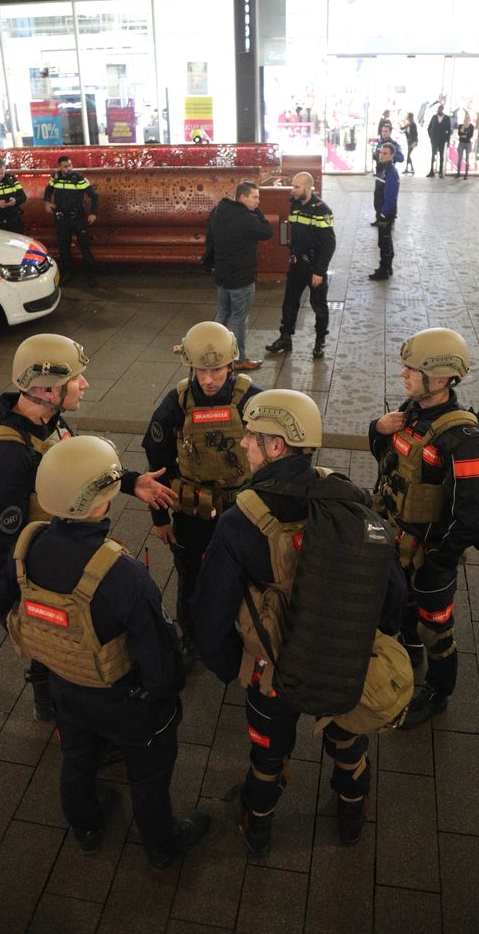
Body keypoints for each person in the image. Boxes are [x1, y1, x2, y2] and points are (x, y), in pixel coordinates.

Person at [190, 389, 404, 855]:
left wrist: (234, 669)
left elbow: (207, 616)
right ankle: (351, 814)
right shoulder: (346, 496)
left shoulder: (239, 520)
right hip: (344, 662)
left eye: (252, 436)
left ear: (277, 446)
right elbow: (393, 591)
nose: (243, 444)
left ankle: (259, 826)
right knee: (349, 744)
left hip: (272, 672)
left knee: (267, 754)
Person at [0, 434, 210, 867]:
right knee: (149, 772)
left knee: (77, 758)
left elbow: (6, 605)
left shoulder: (28, 546)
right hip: (123, 699)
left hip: (64, 688)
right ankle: (162, 844)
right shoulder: (120, 572)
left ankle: (87, 826)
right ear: (102, 500)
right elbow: (160, 659)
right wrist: (164, 697)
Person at [0, 332, 177, 721]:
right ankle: (55, 711)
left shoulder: (48, 424)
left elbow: (78, 469)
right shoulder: (6, 458)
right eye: (77, 378)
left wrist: (131, 482)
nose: (85, 384)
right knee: (57, 656)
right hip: (46, 585)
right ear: (48, 389)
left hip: (62, 556)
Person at [370, 328, 479, 727]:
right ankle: (410, 646)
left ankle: (439, 691)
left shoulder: (462, 438)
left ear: (439, 379)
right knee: (404, 605)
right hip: (398, 539)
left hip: (431, 554)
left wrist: (439, 561)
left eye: (412, 369)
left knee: (437, 625)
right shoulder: (413, 410)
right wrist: (378, 429)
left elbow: (470, 518)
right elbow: (389, 465)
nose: (403, 374)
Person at [143, 321, 262, 671]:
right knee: (190, 579)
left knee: (247, 577)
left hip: (242, 512)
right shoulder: (177, 402)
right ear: (190, 366)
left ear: (231, 365)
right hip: (192, 515)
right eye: (201, 370)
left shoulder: (254, 399)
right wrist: (159, 519)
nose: (208, 379)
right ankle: (191, 638)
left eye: (216, 369)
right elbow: (158, 462)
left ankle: (247, 635)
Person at [203, 179, 273, 372]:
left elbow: (210, 240)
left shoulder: (218, 211)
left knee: (223, 312)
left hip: (222, 274)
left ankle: (212, 350)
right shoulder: (246, 218)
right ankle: (240, 359)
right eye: (255, 197)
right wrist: (256, 211)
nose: (258, 201)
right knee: (240, 318)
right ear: (242, 197)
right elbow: (267, 231)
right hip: (241, 278)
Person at [265, 172, 336, 360]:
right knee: (289, 302)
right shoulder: (295, 204)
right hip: (297, 263)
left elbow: (329, 244)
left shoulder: (322, 210)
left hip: (314, 266)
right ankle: (285, 337)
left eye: (297, 187)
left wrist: (319, 271)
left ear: (308, 188)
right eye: (293, 186)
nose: (293, 190)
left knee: (318, 306)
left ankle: (320, 342)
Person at [44, 155, 99, 287]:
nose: (68, 168)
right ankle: (67, 274)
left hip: (78, 218)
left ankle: (91, 277)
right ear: (59, 167)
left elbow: (94, 196)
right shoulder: (55, 178)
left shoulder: (79, 179)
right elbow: (48, 190)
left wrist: (93, 213)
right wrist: (46, 202)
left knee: (85, 247)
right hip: (62, 218)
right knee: (64, 248)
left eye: (70, 165)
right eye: (65, 166)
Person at [369, 141, 400, 280]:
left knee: (384, 242)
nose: (381, 155)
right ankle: (388, 267)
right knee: (386, 240)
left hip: (386, 213)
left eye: (385, 153)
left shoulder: (391, 172)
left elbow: (391, 196)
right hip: (382, 211)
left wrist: (383, 214)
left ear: (392, 155)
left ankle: (384, 270)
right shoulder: (383, 168)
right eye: (381, 152)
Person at [426, 104, 451, 178]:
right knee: (433, 155)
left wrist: (447, 139)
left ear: (442, 109)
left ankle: (440, 171)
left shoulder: (446, 118)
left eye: (440, 109)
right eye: (438, 109)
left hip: (442, 140)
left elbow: (449, 130)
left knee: (441, 155)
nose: (439, 110)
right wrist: (431, 136)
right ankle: (431, 170)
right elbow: (429, 127)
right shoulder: (434, 117)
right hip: (434, 139)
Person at [455, 112, 474, 178]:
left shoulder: (471, 126)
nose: (466, 119)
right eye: (465, 118)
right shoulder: (461, 125)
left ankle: (466, 173)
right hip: (461, 143)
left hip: (468, 144)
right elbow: (459, 134)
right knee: (460, 158)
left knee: (467, 158)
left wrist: (464, 135)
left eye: (467, 118)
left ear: (469, 119)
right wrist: (464, 127)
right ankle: (458, 173)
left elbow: (470, 135)